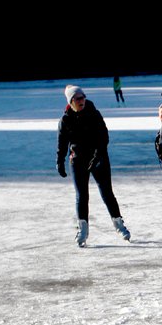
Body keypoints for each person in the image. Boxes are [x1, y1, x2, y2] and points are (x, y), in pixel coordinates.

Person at [56, 85, 131, 247]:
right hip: (78, 161)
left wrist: (97, 155)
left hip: (99, 158)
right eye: (77, 98)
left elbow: (104, 136)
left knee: (107, 193)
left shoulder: (93, 113)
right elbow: (62, 143)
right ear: (71, 101)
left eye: (83, 97)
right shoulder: (65, 120)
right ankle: (83, 230)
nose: (81, 100)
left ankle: (119, 225)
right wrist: (60, 161)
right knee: (81, 196)